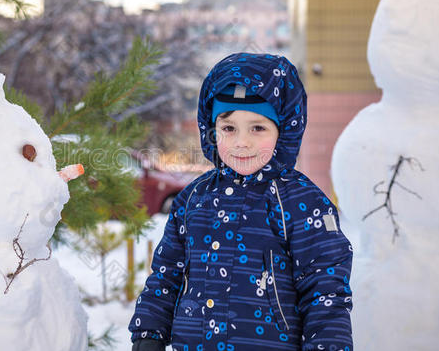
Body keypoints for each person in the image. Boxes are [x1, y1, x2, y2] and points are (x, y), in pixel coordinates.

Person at [129, 53, 353, 351]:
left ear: (283, 131)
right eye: (229, 128)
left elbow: (324, 291)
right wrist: (149, 333)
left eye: (257, 128)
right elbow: (166, 274)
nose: (241, 142)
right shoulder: (193, 199)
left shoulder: (303, 204)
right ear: (211, 130)